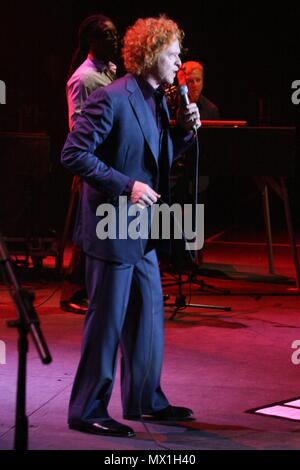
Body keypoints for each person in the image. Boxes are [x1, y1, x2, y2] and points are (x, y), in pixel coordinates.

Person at [61, 15, 200, 438]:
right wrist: (127, 186)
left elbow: (155, 156)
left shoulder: (156, 98)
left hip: (142, 229)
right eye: (174, 55)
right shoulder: (113, 97)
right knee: (107, 322)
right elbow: (73, 154)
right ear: (153, 54)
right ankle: (87, 409)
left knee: (148, 316)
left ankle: (145, 399)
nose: (179, 63)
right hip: (112, 225)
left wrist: (185, 132)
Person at [60, 14, 119, 315]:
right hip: (92, 164)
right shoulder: (84, 78)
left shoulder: (111, 72)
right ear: (91, 41)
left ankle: (94, 288)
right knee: (87, 229)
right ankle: (73, 291)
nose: (114, 39)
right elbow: (78, 126)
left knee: (98, 227)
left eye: (115, 34)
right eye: (107, 35)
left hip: (108, 162)